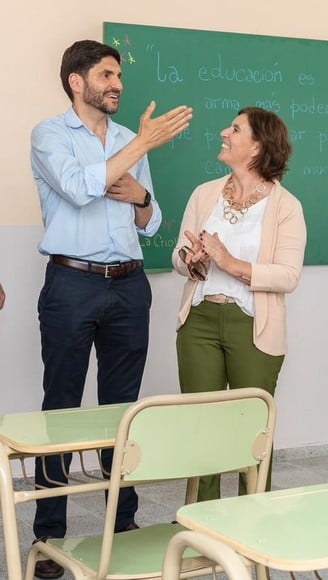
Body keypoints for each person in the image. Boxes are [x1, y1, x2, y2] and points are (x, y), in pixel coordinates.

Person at [29, 39, 192, 579]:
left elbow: (151, 218)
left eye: (118, 74)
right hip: (72, 283)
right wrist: (138, 146)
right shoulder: (50, 135)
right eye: (106, 74)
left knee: (124, 410)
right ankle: (48, 533)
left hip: (128, 285)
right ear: (77, 82)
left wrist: (141, 198)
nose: (116, 83)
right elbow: (79, 190)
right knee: (64, 409)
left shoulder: (127, 139)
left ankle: (120, 523)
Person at [173, 107, 306, 502]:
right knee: (203, 430)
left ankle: (253, 526)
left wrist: (230, 263)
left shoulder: (287, 207)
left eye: (234, 129)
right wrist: (193, 260)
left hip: (253, 326)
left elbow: (288, 276)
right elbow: (179, 258)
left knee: (252, 434)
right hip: (198, 321)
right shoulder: (204, 194)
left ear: (257, 146)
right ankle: (201, 526)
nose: (223, 133)